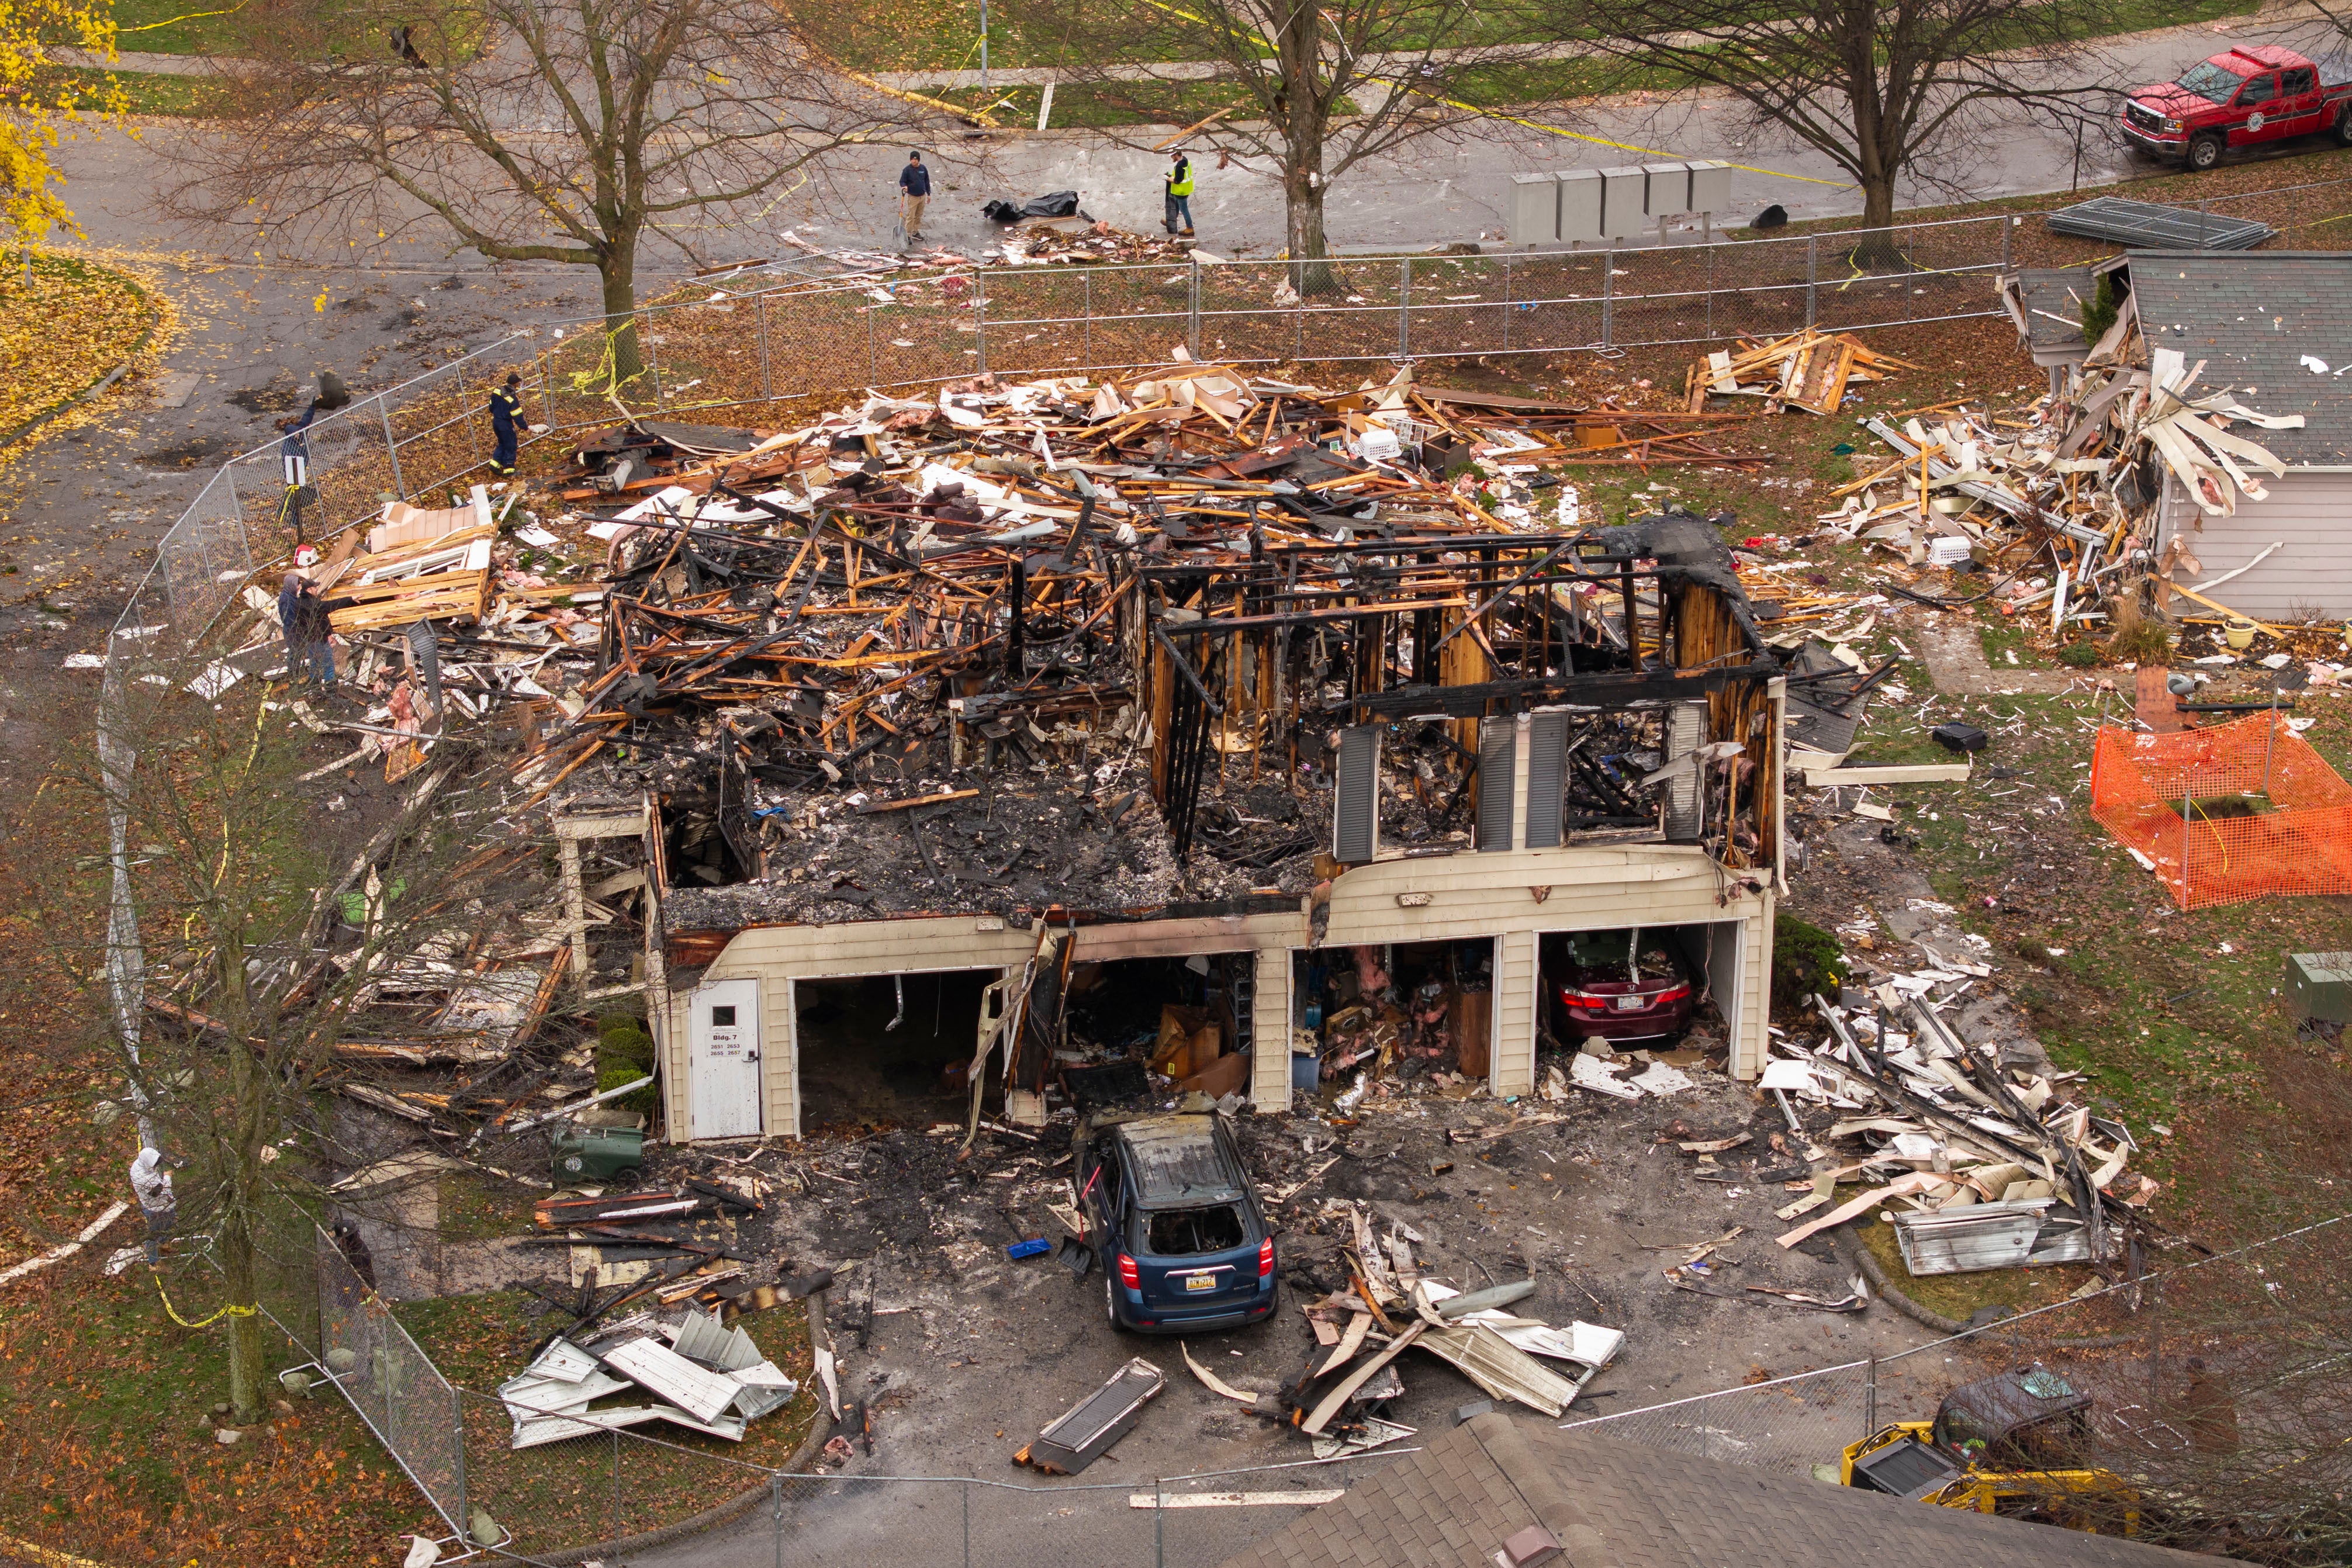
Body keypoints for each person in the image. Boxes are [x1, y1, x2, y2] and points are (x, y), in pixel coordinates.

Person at [279, 570, 336, 690]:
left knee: (312, 657)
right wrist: (303, 625)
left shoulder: (291, 596)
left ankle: (312, 680)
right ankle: (295, 676)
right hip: (294, 632)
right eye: (297, 585)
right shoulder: (287, 601)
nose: (299, 586)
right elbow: (289, 619)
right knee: (297, 653)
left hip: (302, 632)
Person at [130, 1147, 175, 1265]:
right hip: (156, 1209)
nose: (157, 1166)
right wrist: (167, 1177)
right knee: (153, 1235)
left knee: (168, 1223)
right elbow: (161, 1192)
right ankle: (154, 1263)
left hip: (158, 1205)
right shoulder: (145, 1179)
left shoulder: (139, 1165)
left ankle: (163, 1243)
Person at [489, 372, 524, 476]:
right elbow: (517, 416)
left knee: (503, 443)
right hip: (506, 425)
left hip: (496, 422)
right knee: (511, 445)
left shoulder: (497, 391)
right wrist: (525, 428)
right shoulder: (513, 399)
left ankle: (494, 465)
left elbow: (491, 407)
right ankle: (509, 470)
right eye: (518, 383)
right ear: (515, 384)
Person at [898, 151, 931, 244]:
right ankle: (908, 235)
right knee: (911, 216)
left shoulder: (923, 169)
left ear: (918, 160)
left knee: (918, 216)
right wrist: (904, 186)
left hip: (922, 196)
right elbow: (902, 181)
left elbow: (927, 181)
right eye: (912, 159)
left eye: (915, 160)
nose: (913, 161)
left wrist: (929, 194)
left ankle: (915, 232)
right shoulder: (907, 170)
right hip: (913, 197)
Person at [1164, 148, 1195, 238]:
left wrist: (1167, 178)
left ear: (1176, 155)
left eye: (1172, 156)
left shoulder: (1179, 166)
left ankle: (1190, 228)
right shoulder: (1186, 161)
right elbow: (1181, 176)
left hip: (1181, 191)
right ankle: (1171, 220)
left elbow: (1177, 181)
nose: (1171, 158)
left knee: (1184, 209)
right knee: (1177, 205)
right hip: (1186, 189)